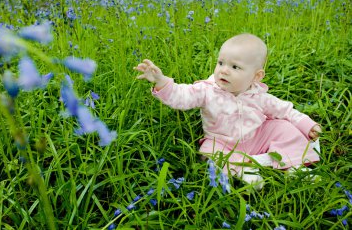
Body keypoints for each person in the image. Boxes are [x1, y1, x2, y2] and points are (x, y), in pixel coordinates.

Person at [134, 33, 321, 190]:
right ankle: (243, 170)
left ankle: (295, 167)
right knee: (208, 151)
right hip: (223, 143)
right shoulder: (207, 91)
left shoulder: (259, 95)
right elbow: (181, 95)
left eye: (234, 67)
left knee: (284, 128)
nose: (223, 71)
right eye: (221, 62)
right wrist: (161, 81)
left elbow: (285, 110)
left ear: (256, 76)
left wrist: (306, 124)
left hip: (257, 137)